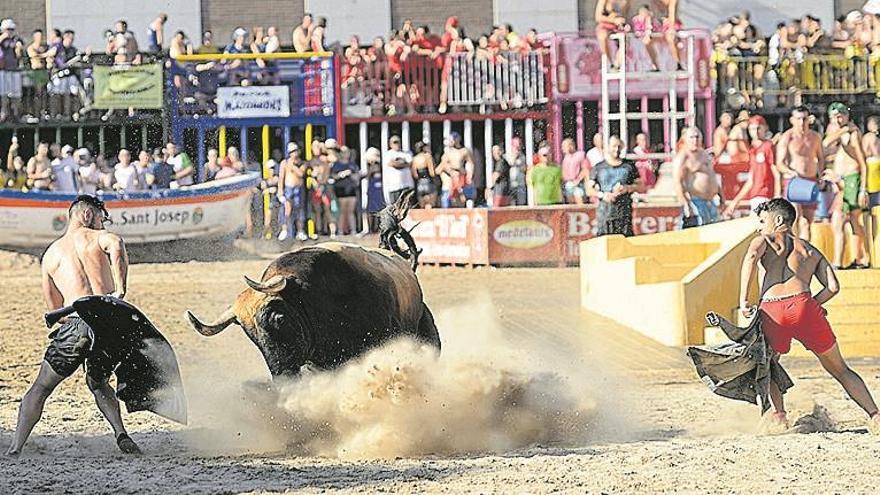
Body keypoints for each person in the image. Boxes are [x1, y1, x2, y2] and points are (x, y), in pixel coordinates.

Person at [5, 195, 142, 456]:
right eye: (102, 218)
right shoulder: (96, 237)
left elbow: (55, 310)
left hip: (76, 321)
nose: (103, 225)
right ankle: (120, 433)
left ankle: (16, 446)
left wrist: (71, 323)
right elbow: (116, 243)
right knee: (99, 382)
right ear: (88, 215)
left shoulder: (51, 254)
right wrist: (120, 288)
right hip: (109, 321)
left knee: (42, 387)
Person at [738, 198, 880, 431]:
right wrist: (810, 305)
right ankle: (875, 415)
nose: (759, 227)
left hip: (772, 310)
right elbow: (833, 287)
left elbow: (751, 257)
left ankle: (779, 416)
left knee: (770, 363)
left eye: (763, 221)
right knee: (840, 369)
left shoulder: (764, 241)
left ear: (779, 220)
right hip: (804, 306)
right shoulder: (810, 250)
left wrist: (744, 300)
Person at [821, 102, 870, 269]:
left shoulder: (853, 133)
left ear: (847, 116)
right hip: (842, 180)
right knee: (846, 221)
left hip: (852, 179)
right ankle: (853, 259)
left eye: (840, 116)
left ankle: (860, 258)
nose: (837, 120)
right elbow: (825, 145)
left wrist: (863, 189)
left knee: (850, 220)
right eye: (834, 117)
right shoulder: (840, 133)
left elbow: (862, 163)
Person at [775, 106, 824, 241]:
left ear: (809, 119)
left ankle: (804, 253)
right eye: (798, 119)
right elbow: (779, 163)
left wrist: (820, 175)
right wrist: (790, 172)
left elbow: (820, 158)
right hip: (795, 181)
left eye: (804, 119)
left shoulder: (815, 137)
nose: (802, 122)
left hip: (811, 180)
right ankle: (793, 249)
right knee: (796, 219)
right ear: (792, 120)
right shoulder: (787, 137)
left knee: (808, 222)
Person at [724, 115, 779, 217]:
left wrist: (777, 196)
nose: (756, 132)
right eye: (753, 129)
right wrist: (735, 202)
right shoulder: (753, 150)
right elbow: (751, 180)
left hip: (766, 194)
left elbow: (776, 173)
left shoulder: (768, 146)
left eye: (758, 128)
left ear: (764, 128)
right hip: (755, 195)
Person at [587, 135, 643, 236]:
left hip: (624, 213)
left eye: (619, 146)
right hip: (605, 213)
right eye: (613, 146)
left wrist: (627, 188)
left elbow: (641, 185)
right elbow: (589, 189)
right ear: (607, 147)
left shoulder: (629, 166)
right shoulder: (599, 167)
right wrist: (602, 195)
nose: (616, 149)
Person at [673, 126, 722, 227]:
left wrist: (721, 195)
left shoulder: (704, 153)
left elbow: (712, 175)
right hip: (696, 201)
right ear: (685, 139)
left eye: (697, 137)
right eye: (691, 137)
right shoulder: (683, 157)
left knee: (714, 232)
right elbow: (677, 182)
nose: (695, 140)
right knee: (699, 232)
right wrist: (686, 204)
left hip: (711, 200)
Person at [277, 142, 307, 241]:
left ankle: (300, 231)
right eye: (292, 152)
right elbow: (281, 177)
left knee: (299, 210)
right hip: (289, 188)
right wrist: (280, 191)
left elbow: (301, 174)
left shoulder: (302, 163)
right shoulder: (284, 163)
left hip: (299, 188)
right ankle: (285, 230)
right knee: (287, 210)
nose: (294, 153)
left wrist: (293, 166)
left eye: (295, 151)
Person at [438, 132, 475, 208]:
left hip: (461, 176)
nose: (450, 142)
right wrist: (449, 171)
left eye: (452, 140)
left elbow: (471, 163)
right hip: (451, 177)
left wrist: (469, 175)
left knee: (464, 196)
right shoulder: (448, 152)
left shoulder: (464, 151)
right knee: (450, 196)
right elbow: (441, 166)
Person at [330, 146, 361, 235]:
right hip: (341, 189)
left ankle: (353, 230)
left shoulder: (353, 164)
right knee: (343, 211)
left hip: (351, 189)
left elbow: (357, 177)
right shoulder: (336, 164)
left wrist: (352, 175)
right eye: (343, 152)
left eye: (347, 152)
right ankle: (340, 231)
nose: (345, 154)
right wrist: (342, 174)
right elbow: (332, 176)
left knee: (351, 211)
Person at [595, 0, 630, 69]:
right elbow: (598, 17)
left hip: (619, 25)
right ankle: (609, 62)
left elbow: (625, 13)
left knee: (625, 40)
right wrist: (613, 20)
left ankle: (618, 63)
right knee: (602, 36)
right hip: (606, 23)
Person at [382, 135, 415, 205]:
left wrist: (398, 164)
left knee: (407, 207)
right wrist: (404, 164)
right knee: (395, 208)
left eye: (398, 142)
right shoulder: (388, 154)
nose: (397, 144)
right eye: (394, 142)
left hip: (407, 185)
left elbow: (410, 164)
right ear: (390, 144)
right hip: (394, 187)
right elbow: (392, 164)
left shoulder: (407, 153)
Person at [561, 138, 590, 204]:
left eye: (564, 146)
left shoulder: (580, 155)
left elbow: (585, 170)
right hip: (567, 184)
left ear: (571, 146)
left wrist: (578, 180)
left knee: (580, 203)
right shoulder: (566, 157)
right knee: (571, 206)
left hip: (578, 184)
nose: (562, 149)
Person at [411, 141, 438, 208]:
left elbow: (415, 175)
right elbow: (432, 173)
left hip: (420, 183)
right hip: (428, 181)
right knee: (432, 203)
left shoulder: (415, 159)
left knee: (422, 205)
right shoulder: (427, 156)